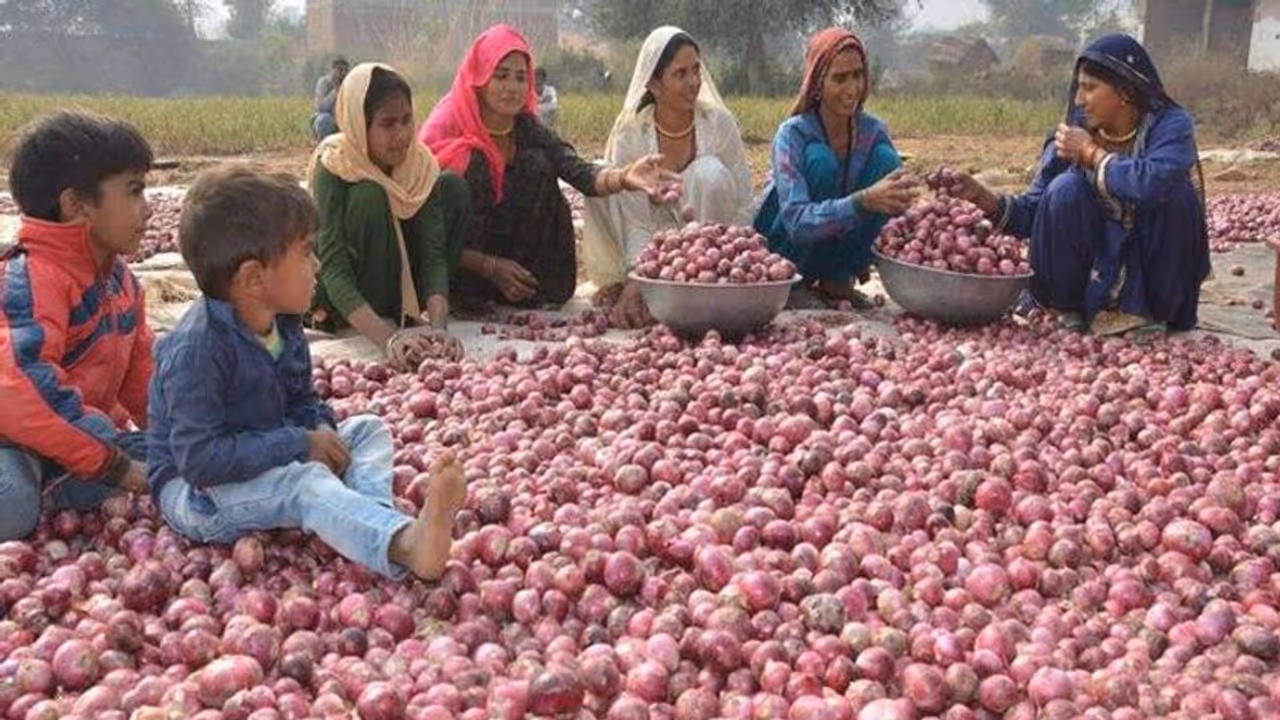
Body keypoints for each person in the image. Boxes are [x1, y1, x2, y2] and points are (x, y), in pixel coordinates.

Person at [149, 165, 466, 582]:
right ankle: (403, 544)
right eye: (305, 251)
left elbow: (300, 400)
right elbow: (200, 461)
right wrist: (298, 443)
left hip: (265, 450)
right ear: (253, 278)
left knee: (366, 430)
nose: (317, 265)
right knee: (303, 483)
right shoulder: (197, 350)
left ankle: (369, 520)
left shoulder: (284, 321)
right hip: (199, 494)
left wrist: (318, 428)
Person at [948, 34, 1209, 336]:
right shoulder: (1071, 135)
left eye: (1090, 88)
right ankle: (1066, 308)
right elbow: (1035, 212)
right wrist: (983, 197)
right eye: (1079, 87)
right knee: (1064, 190)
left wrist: (1092, 155)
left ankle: (1143, 312)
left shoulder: (1170, 125)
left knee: (1175, 192)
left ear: (1124, 90)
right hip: (1084, 284)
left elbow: (1152, 182)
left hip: (1154, 285)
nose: (1078, 99)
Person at [420, 24, 677, 309]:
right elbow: (424, 226)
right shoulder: (446, 124)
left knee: (539, 164)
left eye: (521, 78)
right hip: (460, 263)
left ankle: (523, 286)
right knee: (474, 163)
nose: (512, 88)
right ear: (479, 79)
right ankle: (472, 293)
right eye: (501, 76)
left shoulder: (524, 125)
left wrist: (626, 177)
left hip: (512, 261)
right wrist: (489, 266)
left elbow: (574, 169)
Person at [0, 111, 154, 539]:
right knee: (10, 503)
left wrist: (187, 435)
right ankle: (50, 498)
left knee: (183, 455)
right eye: (134, 191)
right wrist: (116, 467)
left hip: (81, 444)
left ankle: (57, 496)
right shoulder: (29, 282)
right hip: (13, 443)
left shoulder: (121, 282)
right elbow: (26, 392)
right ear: (76, 205)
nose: (147, 208)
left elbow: (144, 380)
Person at [583, 26, 754, 328]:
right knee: (601, 173)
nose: (693, 83)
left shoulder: (718, 124)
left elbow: (740, 202)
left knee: (710, 173)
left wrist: (734, 261)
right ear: (654, 84)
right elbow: (634, 221)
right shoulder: (631, 134)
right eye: (680, 74)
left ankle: (703, 287)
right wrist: (640, 278)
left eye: (696, 71)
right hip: (648, 238)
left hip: (706, 244)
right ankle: (634, 284)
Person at [310, 62, 470, 371]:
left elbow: (432, 252)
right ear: (360, 124)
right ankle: (379, 318)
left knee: (453, 187)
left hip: (400, 282)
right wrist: (388, 339)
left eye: (407, 121)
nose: (401, 135)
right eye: (387, 124)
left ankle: (406, 310)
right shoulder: (335, 163)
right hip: (350, 290)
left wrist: (439, 329)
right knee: (370, 194)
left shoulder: (418, 164)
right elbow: (333, 267)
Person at [753, 28, 919, 307]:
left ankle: (837, 279)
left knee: (887, 163)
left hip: (834, 247)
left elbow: (896, 209)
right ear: (818, 84)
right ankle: (791, 285)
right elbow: (796, 222)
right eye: (840, 78)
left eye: (858, 75)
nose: (852, 88)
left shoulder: (873, 132)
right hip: (783, 247)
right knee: (820, 161)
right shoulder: (792, 135)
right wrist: (862, 202)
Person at [313, 56, 350, 141]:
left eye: (345, 71)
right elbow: (321, 107)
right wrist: (336, 90)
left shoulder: (349, 84)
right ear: (333, 70)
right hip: (328, 119)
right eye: (340, 70)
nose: (343, 74)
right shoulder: (324, 82)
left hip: (343, 120)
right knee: (324, 120)